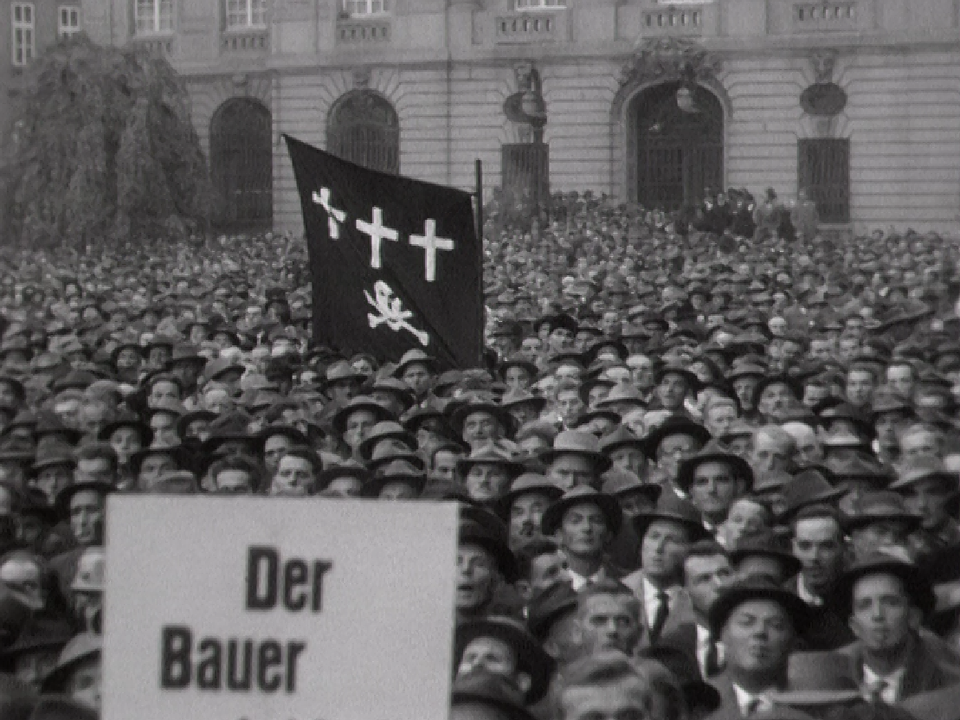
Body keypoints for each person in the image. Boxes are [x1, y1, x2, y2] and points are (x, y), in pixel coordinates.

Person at [833, 551, 959, 703]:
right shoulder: (831, 678)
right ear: (854, 625)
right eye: (864, 605)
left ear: (913, 617)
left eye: (891, 602)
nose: (877, 615)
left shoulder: (950, 687)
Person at [704, 577, 810, 720]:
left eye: (775, 625)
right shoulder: (695, 703)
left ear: (794, 643)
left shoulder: (813, 705)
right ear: (722, 634)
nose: (760, 631)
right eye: (746, 622)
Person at [623, 494, 709, 647]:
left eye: (673, 540)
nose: (658, 548)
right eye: (654, 537)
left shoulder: (700, 598)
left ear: (690, 550)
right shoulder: (621, 592)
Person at [540, 486, 623, 590]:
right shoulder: (549, 586)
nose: (587, 528)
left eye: (596, 520)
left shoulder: (627, 582)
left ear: (608, 534)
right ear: (559, 535)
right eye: (575, 521)